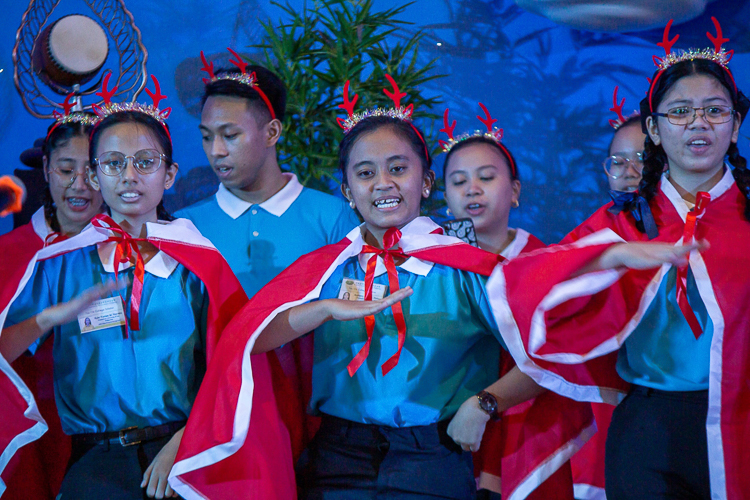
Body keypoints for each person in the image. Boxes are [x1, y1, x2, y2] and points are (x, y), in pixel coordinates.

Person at [169, 76, 700, 500]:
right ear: (347, 190)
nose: (383, 184)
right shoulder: (327, 266)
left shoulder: (463, 269)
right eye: (366, 173)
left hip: (433, 459)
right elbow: (248, 343)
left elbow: (548, 337)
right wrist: (323, 310)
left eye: (398, 169)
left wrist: (488, 402)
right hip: (335, 461)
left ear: (425, 183)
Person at [0, 75, 293, 500]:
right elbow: (4, 356)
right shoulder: (56, 265)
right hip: (94, 465)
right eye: (114, 163)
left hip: (179, 456)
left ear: (170, 174)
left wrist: (185, 442)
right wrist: (47, 318)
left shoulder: (199, 261)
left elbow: (233, 363)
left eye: (145, 162)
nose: (129, 176)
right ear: (96, 176)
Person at [493, 19, 749, 500]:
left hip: (743, 414)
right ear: (653, 128)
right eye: (680, 112)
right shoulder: (623, 221)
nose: (699, 122)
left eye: (715, 110)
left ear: (735, 125)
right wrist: (612, 254)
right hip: (648, 425)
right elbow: (529, 284)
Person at [0, 105, 103, 500]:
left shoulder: (131, 254)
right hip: (24, 432)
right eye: (65, 170)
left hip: (104, 436)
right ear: (45, 170)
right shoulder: (8, 254)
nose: (79, 185)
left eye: (92, 171)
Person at [570, 87, 648, 500]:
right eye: (617, 162)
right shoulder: (592, 233)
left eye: (642, 159)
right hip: (610, 392)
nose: (629, 170)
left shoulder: (690, 228)